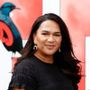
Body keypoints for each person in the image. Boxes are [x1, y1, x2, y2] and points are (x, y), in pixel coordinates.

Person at [8, 13, 82, 90]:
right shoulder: (25, 69)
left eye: (56, 35)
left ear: (62, 39)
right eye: (45, 34)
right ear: (34, 37)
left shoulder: (64, 67)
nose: (51, 40)